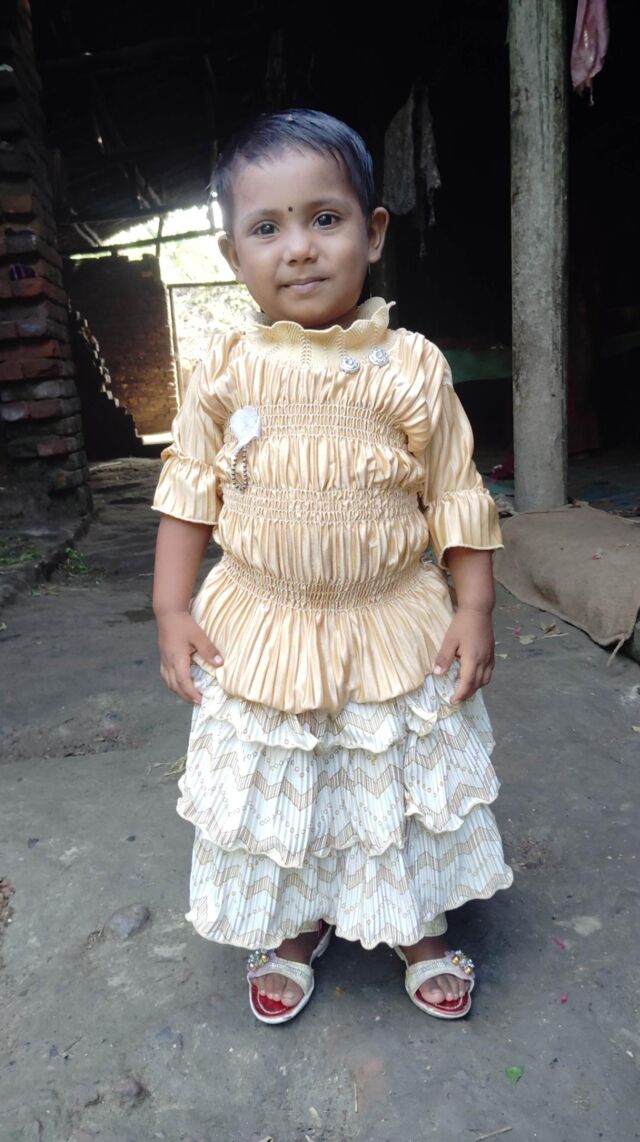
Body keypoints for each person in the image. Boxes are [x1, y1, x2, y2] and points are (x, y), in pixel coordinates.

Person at [151, 108, 513, 1025]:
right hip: (263, 622)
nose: (300, 247)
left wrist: (474, 608)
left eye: (325, 218)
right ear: (232, 255)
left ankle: (413, 923)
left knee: (386, 774)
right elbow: (189, 492)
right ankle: (295, 921)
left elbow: (455, 492)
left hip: (390, 618)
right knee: (294, 779)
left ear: (373, 233)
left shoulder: (411, 368)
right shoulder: (224, 371)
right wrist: (171, 610)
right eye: (266, 228)